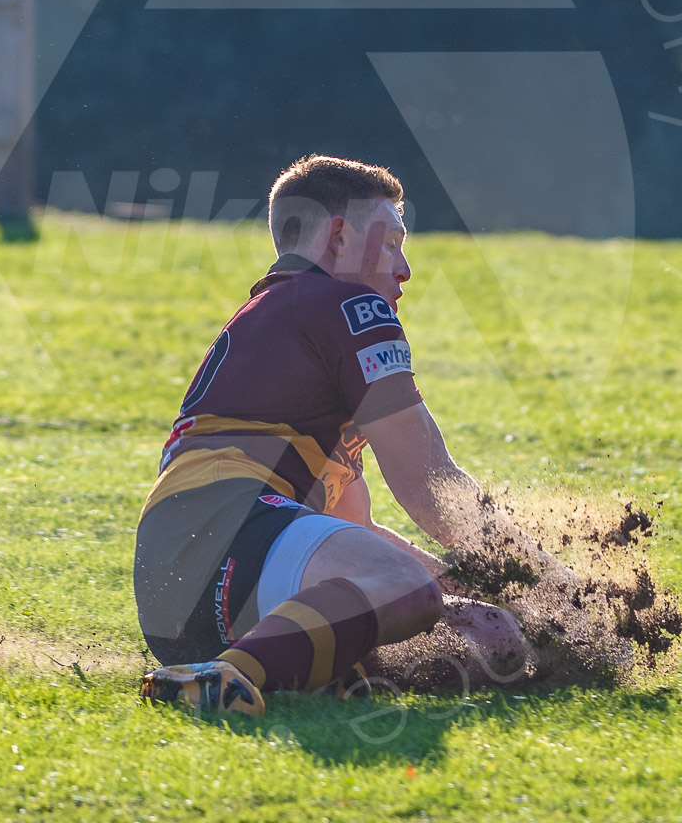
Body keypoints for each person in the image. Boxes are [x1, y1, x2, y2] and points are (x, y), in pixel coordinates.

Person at [135, 155, 577, 714]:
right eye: (391, 242)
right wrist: (554, 590)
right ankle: (222, 680)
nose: (405, 269)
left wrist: (469, 598)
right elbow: (430, 485)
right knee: (407, 591)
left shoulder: (286, 320)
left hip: (179, 593)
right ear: (339, 236)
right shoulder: (349, 305)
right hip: (223, 535)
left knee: (485, 635)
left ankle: (253, 668)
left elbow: (353, 528)